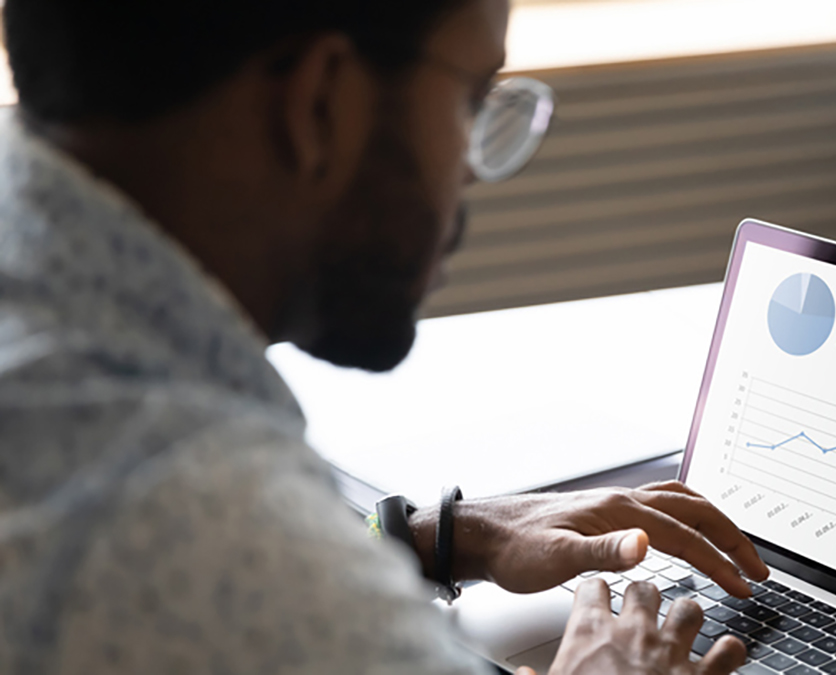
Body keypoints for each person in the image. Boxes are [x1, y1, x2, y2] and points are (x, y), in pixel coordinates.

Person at [0, 0, 770, 672]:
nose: (471, 170)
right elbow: (219, 559)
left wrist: (427, 537)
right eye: (470, 99)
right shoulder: (195, 511)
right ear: (320, 103)